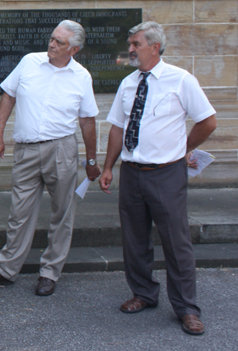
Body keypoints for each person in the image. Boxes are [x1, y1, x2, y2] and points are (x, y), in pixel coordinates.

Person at [98, 21, 216, 335]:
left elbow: (208, 121)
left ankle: (187, 309)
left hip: (167, 174)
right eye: (130, 43)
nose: (131, 49)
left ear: (154, 46)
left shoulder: (181, 80)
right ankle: (143, 294)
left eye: (135, 44)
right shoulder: (128, 83)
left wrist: (184, 148)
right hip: (132, 173)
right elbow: (117, 128)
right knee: (134, 239)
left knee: (176, 243)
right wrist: (109, 166)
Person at [0, 20, 101, 296]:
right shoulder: (30, 62)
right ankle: (7, 270)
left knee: (62, 213)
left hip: (62, 150)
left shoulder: (81, 76)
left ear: (75, 49)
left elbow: (88, 121)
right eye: (52, 38)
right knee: (19, 212)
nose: (52, 45)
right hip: (27, 149)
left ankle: (50, 273)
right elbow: (9, 96)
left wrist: (91, 161)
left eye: (60, 42)